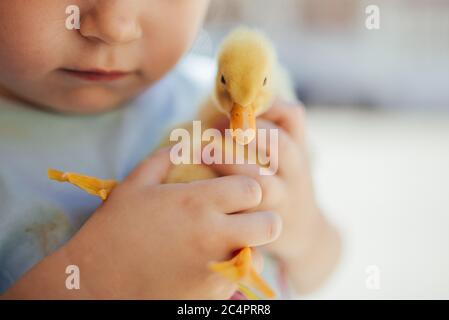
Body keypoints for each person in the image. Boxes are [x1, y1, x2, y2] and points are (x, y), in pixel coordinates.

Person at [0, 0, 340, 299]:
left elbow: (320, 267)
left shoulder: (222, 98)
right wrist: (95, 283)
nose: (115, 27)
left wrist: (303, 231)